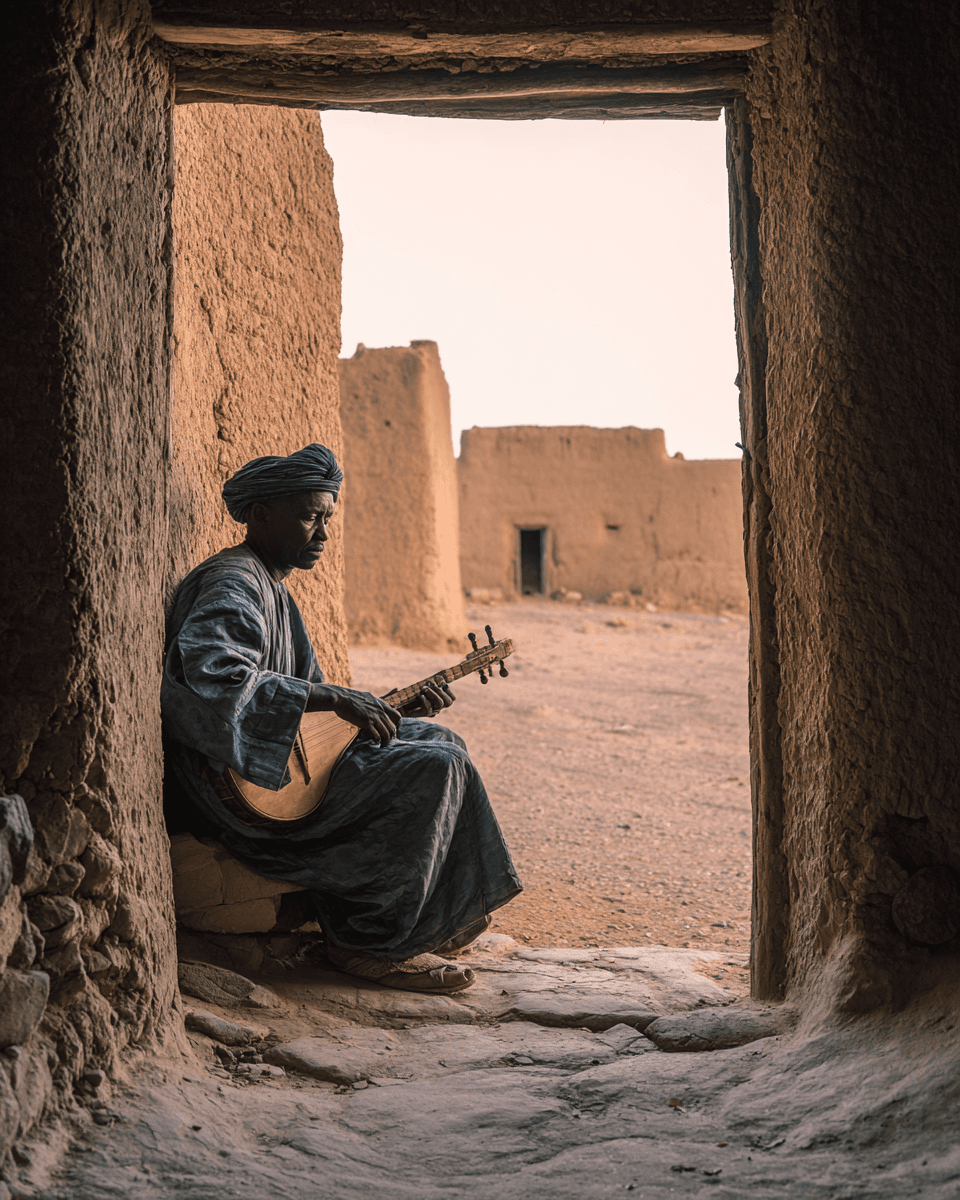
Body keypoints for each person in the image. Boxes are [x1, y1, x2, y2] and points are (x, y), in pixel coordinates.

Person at [161, 444, 521, 994]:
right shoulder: (233, 583)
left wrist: (386, 709)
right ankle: (366, 943)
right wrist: (337, 700)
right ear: (261, 514)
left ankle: (429, 914)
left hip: (277, 760)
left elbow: (313, 715)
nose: (324, 533)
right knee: (433, 769)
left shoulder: (274, 590)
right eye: (310, 516)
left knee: (437, 737)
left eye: (328, 517)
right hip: (235, 782)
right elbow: (216, 678)